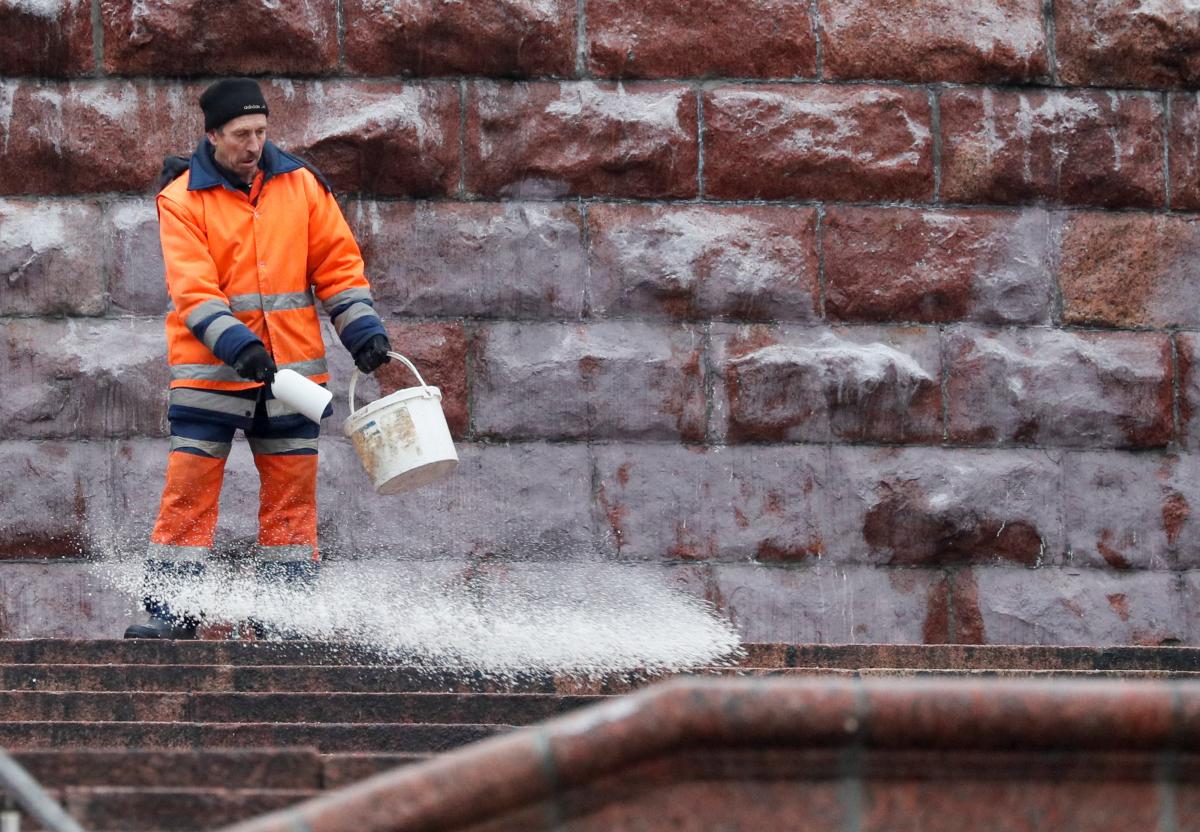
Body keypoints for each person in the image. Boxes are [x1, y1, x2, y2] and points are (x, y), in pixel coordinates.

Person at [124, 78, 392, 639]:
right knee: (189, 494)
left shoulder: (302, 186)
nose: (253, 144)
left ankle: (284, 618)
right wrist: (238, 345)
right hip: (211, 377)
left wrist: (363, 331)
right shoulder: (180, 200)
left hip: (292, 377)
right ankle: (172, 613)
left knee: (292, 503)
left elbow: (338, 269)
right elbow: (194, 291)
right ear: (214, 135)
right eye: (242, 134)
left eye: (262, 132)